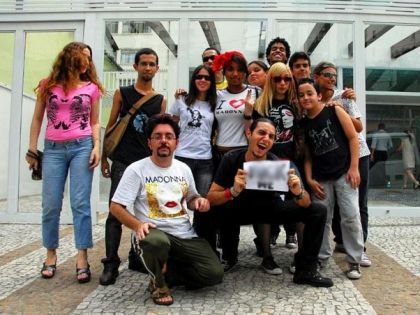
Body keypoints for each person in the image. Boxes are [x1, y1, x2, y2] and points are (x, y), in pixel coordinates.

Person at [110, 114, 223, 306]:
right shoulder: (137, 169)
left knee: (213, 274)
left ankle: (165, 269)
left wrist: (198, 202)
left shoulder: (183, 169)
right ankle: (159, 284)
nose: (163, 141)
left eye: (168, 136)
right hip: (154, 232)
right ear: (149, 142)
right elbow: (116, 206)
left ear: (176, 142)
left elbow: (191, 199)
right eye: (158, 136)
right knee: (156, 242)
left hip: (183, 234)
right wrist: (138, 225)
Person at [207, 118, 333, 287]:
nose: (266, 138)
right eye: (261, 133)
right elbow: (211, 197)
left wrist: (298, 191)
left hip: (270, 208)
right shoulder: (231, 159)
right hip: (239, 209)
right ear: (249, 133)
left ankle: (306, 270)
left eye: (271, 136)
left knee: (318, 210)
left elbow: (305, 203)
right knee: (203, 209)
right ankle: (208, 263)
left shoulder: (279, 164)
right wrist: (232, 191)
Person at [26, 42, 104, 283]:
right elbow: (37, 118)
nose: (88, 62)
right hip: (53, 150)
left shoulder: (92, 88)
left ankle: (82, 257)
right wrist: (31, 150)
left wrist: (97, 147)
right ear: (71, 57)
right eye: (84, 56)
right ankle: (50, 254)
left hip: (82, 146)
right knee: (50, 204)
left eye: (90, 58)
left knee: (80, 203)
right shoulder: (47, 85)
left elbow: (94, 122)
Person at [99, 48, 166, 286]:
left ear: (157, 68)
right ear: (135, 66)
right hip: (123, 160)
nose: (148, 68)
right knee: (115, 212)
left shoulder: (160, 100)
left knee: (144, 213)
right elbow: (111, 127)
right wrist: (105, 157)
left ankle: (136, 255)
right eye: (144, 63)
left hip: (147, 164)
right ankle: (110, 263)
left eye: (152, 64)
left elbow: (160, 134)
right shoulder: (122, 93)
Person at [298, 78, 365, 280]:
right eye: (301, 95)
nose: (305, 98)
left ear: (319, 95)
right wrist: (309, 179)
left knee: (351, 216)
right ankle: (321, 258)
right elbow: (308, 155)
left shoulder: (335, 110)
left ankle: (354, 260)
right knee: (322, 219)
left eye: (309, 93)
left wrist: (354, 168)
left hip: (344, 173)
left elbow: (353, 137)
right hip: (320, 178)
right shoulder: (304, 123)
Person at [313, 61, 372, 267]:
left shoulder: (344, 97)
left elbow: (358, 127)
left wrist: (339, 109)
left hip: (358, 154)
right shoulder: (313, 99)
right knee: (333, 208)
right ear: (317, 77)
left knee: (357, 205)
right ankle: (337, 247)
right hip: (333, 159)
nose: (332, 78)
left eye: (334, 75)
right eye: (327, 74)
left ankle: (359, 249)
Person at [247, 62, 299, 251]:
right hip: (267, 160)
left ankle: (295, 243)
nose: (283, 83)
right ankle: (265, 251)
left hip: (290, 159)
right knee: (263, 206)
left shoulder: (296, 103)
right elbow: (253, 134)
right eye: (278, 78)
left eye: (287, 78)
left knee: (297, 200)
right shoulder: (261, 104)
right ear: (271, 80)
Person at [169, 64, 218, 249]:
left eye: (207, 77)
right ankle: (177, 243)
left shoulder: (215, 102)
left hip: (205, 159)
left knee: (203, 205)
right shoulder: (181, 99)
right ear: (193, 80)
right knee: (176, 202)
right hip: (182, 158)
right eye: (199, 77)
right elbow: (172, 125)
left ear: (212, 81)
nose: (203, 80)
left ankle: (203, 247)